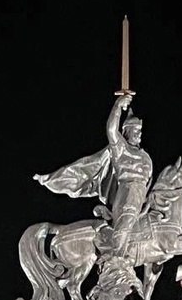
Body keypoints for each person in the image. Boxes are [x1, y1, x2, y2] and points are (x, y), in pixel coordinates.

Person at [33, 92, 153, 259]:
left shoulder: (145, 156)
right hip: (127, 194)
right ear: (126, 132)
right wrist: (118, 105)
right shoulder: (121, 150)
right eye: (136, 130)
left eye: (140, 130)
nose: (139, 134)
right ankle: (115, 261)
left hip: (141, 197)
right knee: (125, 225)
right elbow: (111, 129)